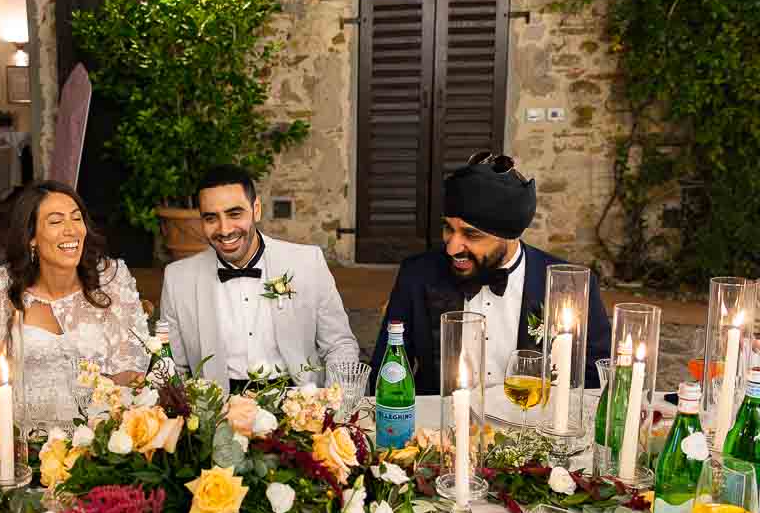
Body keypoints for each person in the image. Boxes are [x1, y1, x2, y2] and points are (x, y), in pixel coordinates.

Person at [370, 151, 611, 395]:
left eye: (471, 234)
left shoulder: (569, 285)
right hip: (438, 425)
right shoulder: (417, 274)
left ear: (511, 235)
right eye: (448, 229)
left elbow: (595, 381)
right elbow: (385, 371)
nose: (452, 247)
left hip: (530, 423)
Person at [160, 165, 359, 393]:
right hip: (217, 409)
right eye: (211, 218)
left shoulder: (307, 263)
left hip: (300, 402)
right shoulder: (178, 279)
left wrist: (337, 405)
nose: (224, 230)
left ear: (256, 210)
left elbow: (338, 345)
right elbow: (173, 366)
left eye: (235, 214)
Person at [0, 181, 149, 410]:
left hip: (98, 426)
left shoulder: (112, 279)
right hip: (19, 427)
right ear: (31, 238)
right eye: (56, 221)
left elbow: (131, 373)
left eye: (76, 218)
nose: (71, 229)